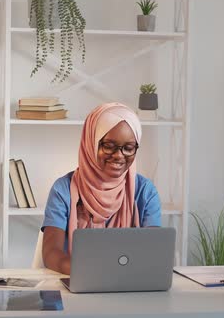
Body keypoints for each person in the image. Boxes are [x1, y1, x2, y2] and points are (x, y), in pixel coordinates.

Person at [41, 103, 162, 274]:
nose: (119, 155)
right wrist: (92, 272)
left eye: (128, 148)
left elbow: (154, 253)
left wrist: (113, 274)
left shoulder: (145, 192)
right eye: (109, 146)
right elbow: (50, 254)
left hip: (128, 288)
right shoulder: (64, 189)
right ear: (91, 142)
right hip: (76, 283)